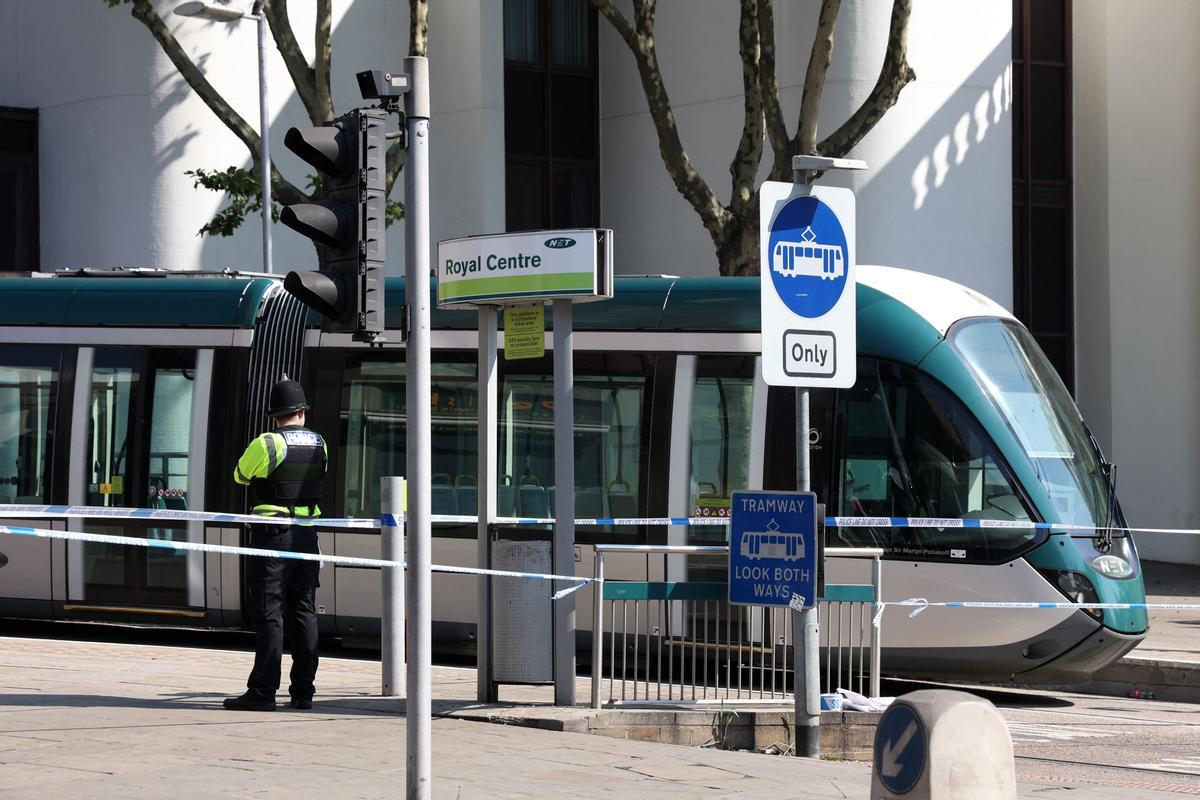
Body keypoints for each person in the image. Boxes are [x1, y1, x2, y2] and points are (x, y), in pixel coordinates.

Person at [224, 379, 328, 712]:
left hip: (273, 535)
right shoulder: (319, 443)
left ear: (275, 415)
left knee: (269, 613)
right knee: (304, 611)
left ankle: (263, 691)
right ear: (301, 411)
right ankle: (303, 692)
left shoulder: (267, 443)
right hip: (308, 536)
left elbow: (240, 475)